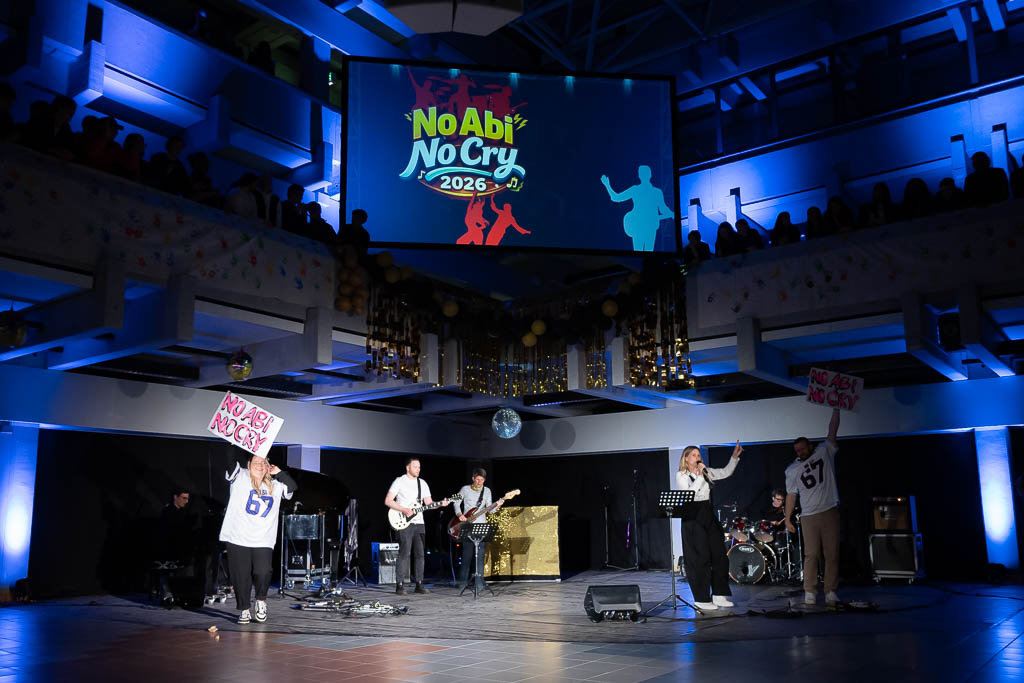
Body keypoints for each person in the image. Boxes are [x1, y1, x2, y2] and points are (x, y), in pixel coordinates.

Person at [218, 453, 297, 624]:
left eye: (264, 462)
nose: (260, 465)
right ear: (248, 464)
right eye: (256, 462)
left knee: (263, 571)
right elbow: (228, 460)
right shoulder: (241, 477)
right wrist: (233, 445)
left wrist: (279, 473)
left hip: (263, 538)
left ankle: (261, 600)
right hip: (237, 536)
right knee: (241, 575)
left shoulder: (275, 485)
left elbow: (292, 486)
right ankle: (244, 609)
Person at [675, 441, 743, 611]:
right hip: (692, 515)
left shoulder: (707, 471)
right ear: (686, 458)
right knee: (700, 558)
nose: (698, 457)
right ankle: (701, 599)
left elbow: (726, 472)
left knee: (719, 554)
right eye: (694, 455)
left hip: (707, 512)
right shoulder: (681, 475)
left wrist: (734, 457)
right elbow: (690, 494)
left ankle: (719, 595)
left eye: (699, 455)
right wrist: (700, 476)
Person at [785, 407, 841, 607]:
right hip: (808, 515)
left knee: (831, 553)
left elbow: (832, 430)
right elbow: (791, 495)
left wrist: (836, 410)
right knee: (811, 554)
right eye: (797, 451)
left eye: (803, 448)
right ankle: (809, 590)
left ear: (809, 445)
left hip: (829, 509)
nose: (800, 452)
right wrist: (788, 518)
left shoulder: (824, 452)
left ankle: (830, 591)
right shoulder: (792, 469)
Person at [384, 457, 450, 595]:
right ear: (408, 468)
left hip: (419, 523)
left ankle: (419, 584)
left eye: (419, 467)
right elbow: (388, 501)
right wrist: (404, 510)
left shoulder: (422, 483)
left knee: (420, 554)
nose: (418, 469)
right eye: (415, 467)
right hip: (404, 522)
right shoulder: (399, 481)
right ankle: (399, 585)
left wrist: (440, 504)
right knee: (404, 553)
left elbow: (429, 503)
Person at [452, 468, 505, 591]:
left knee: (480, 556)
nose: (479, 482)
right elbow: (456, 503)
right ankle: (463, 583)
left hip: (481, 526)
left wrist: (497, 505)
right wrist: (460, 515)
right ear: (473, 479)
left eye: (481, 480)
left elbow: (490, 510)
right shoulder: (465, 489)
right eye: (477, 479)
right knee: (467, 555)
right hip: (467, 525)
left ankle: (479, 583)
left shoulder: (487, 491)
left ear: (484, 480)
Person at [600, 165, 674, 251]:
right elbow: (616, 198)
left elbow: (663, 209)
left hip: (649, 227)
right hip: (640, 227)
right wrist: (607, 185)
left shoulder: (655, 192)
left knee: (645, 252)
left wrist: (607, 185)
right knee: (643, 252)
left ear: (640, 176)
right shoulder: (650, 191)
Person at [155, 488, 195, 606]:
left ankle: (181, 594)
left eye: (187, 499)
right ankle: (171, 593)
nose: (186, 501)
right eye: (184, 498)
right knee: (185, 563)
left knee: (189, 562)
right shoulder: (168, 512)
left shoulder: (181, 512)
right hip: (167, 550)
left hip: (176, 548)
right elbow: (168, 535)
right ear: (175, 497)